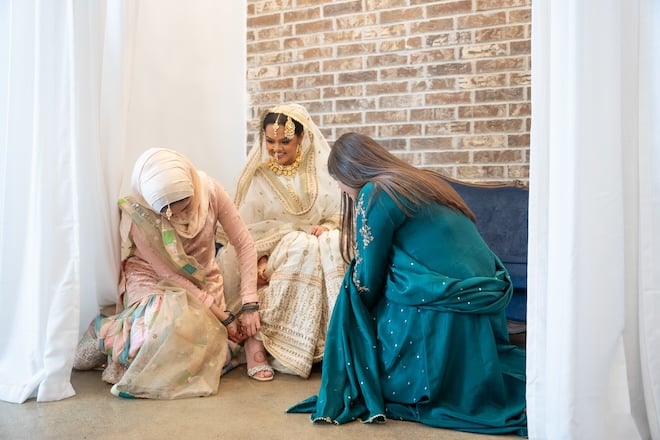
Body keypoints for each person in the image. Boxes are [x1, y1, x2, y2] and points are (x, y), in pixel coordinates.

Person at [287, 133, 528, 436]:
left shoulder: (375, 192)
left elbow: (368, 275)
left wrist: (353, 317)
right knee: (390, 275)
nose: (339, 189)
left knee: (357, 285)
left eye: (337, 180)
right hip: (481, 295)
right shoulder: (418, 180)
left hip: (447, 307)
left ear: (351, 173)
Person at [73, 147, 270, 398]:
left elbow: (244, 244)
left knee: (203, 346)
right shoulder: (140, 214)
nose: (177, 215)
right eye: (165, 210)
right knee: (162, 330)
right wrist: (225, 317)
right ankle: (105, 333)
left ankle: (124, 349)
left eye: (184, 205)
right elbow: (170, 276)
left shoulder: (210, 191)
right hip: (153, 279)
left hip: (202, 278)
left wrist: (250, 303)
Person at [216, 103, 346, 379]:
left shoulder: (318, 171)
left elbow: (336, 212)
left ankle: (331, 344)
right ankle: (262, 345)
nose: (276, 148)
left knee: (330, 242)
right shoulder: (258, 175)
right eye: (270, 141)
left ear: (302, 138)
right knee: (301, 245)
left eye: (285, 141)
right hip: (269, 253)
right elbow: (244, 231)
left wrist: (327, 227)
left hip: (310, 249)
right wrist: (260, 259)